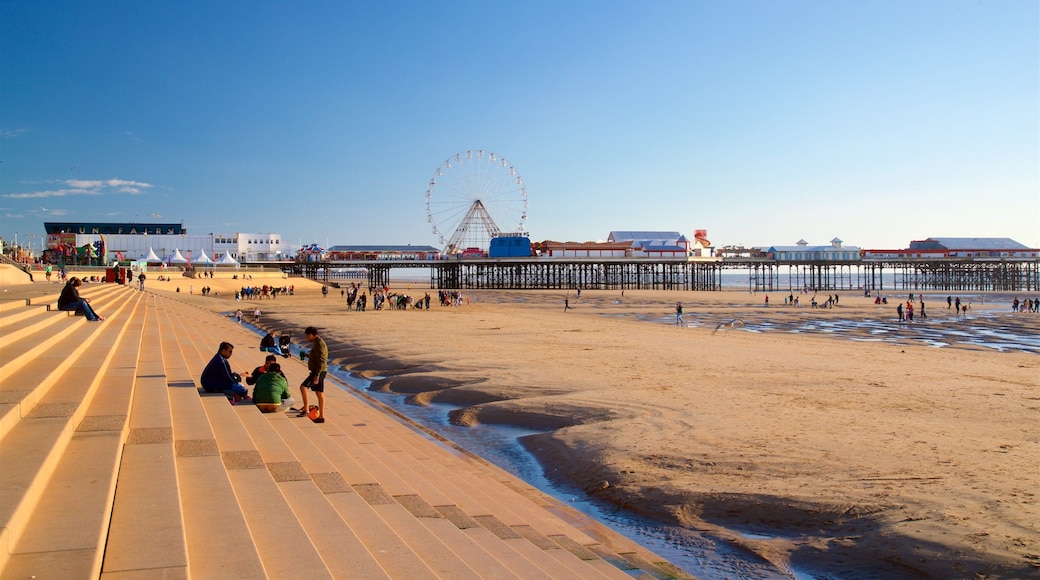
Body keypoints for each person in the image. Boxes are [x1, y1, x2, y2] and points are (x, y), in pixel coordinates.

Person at [297, 326, 328, 423]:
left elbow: (322, 360)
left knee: (303, 387)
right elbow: (316, 356)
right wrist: (307, 355)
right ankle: (321, 417)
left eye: (307, 336)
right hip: (319, 371)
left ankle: (306, 410)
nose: (306, 338)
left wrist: (317, 375)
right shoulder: (316, 342)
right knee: (319, 393)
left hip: (318, 371)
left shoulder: (319, 344)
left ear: (311, 335)